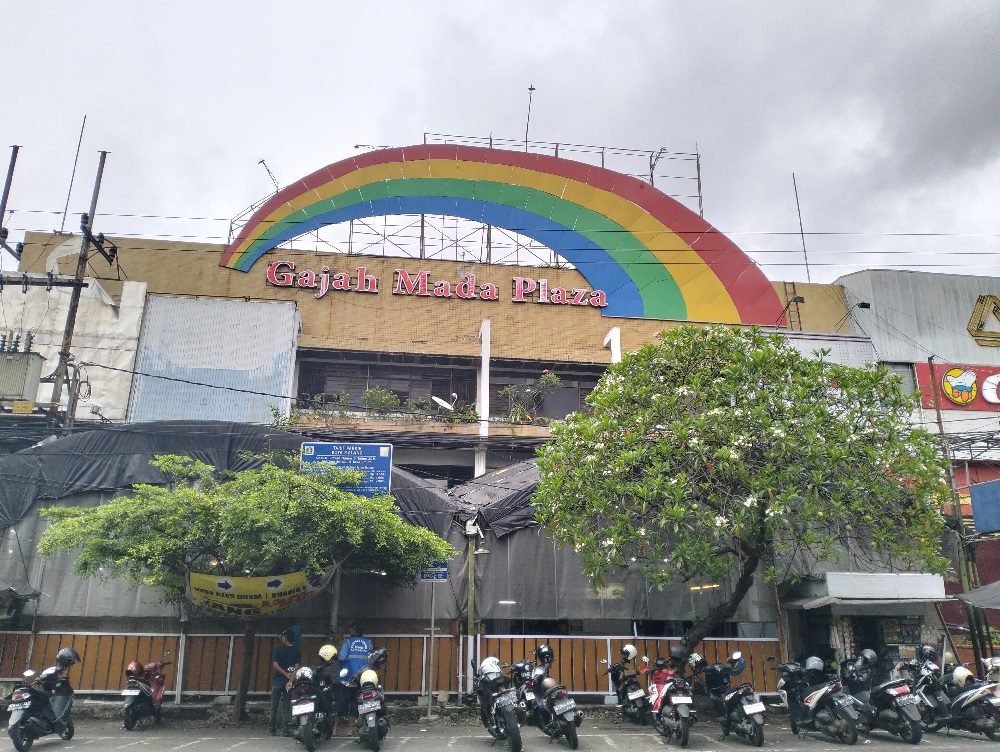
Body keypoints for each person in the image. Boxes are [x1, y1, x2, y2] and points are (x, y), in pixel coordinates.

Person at [333, 623, 373, 737]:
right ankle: (350, 730)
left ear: (354, 631)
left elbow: (342, 657)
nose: (349, 630)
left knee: (340, 702)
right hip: (362, 677)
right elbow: (371, 659)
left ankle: (334, 729)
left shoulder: (348, 642)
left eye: (350, 629)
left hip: (347, 676)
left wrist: (335, 656)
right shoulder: (368, 643)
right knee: (355, 703)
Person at [270, 627, 301, 736]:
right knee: (287, 706)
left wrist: (284, 674)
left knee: (274, 705)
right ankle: (285, 729)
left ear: (286, 638)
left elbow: (275, 665)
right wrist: (290, 679)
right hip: (289, 682)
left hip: (278, 680)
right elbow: (296, 666)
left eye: (283, 637)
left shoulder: (278, 649)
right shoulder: (296, 650)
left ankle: (272, 728)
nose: (281, 639)